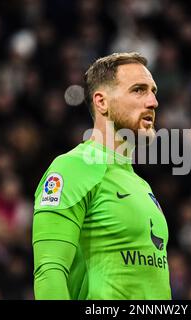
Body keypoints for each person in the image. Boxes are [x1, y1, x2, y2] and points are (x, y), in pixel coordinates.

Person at [32, 52, 172, 299]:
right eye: (139, 90)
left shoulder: (141, 184)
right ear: (101, 102)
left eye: (153, 91)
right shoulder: (72, 167)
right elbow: (49, 271)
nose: (153, 102)